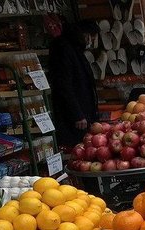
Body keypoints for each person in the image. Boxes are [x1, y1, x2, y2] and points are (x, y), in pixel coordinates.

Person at [48, 20, 99, 149]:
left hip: (81, 111)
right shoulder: (65, 49)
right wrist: (77, 114)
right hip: (74, 116)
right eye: (90, 38)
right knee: (77, 148)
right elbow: (64, 84)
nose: (90, 42)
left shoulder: (74, 49)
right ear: (84, 34)